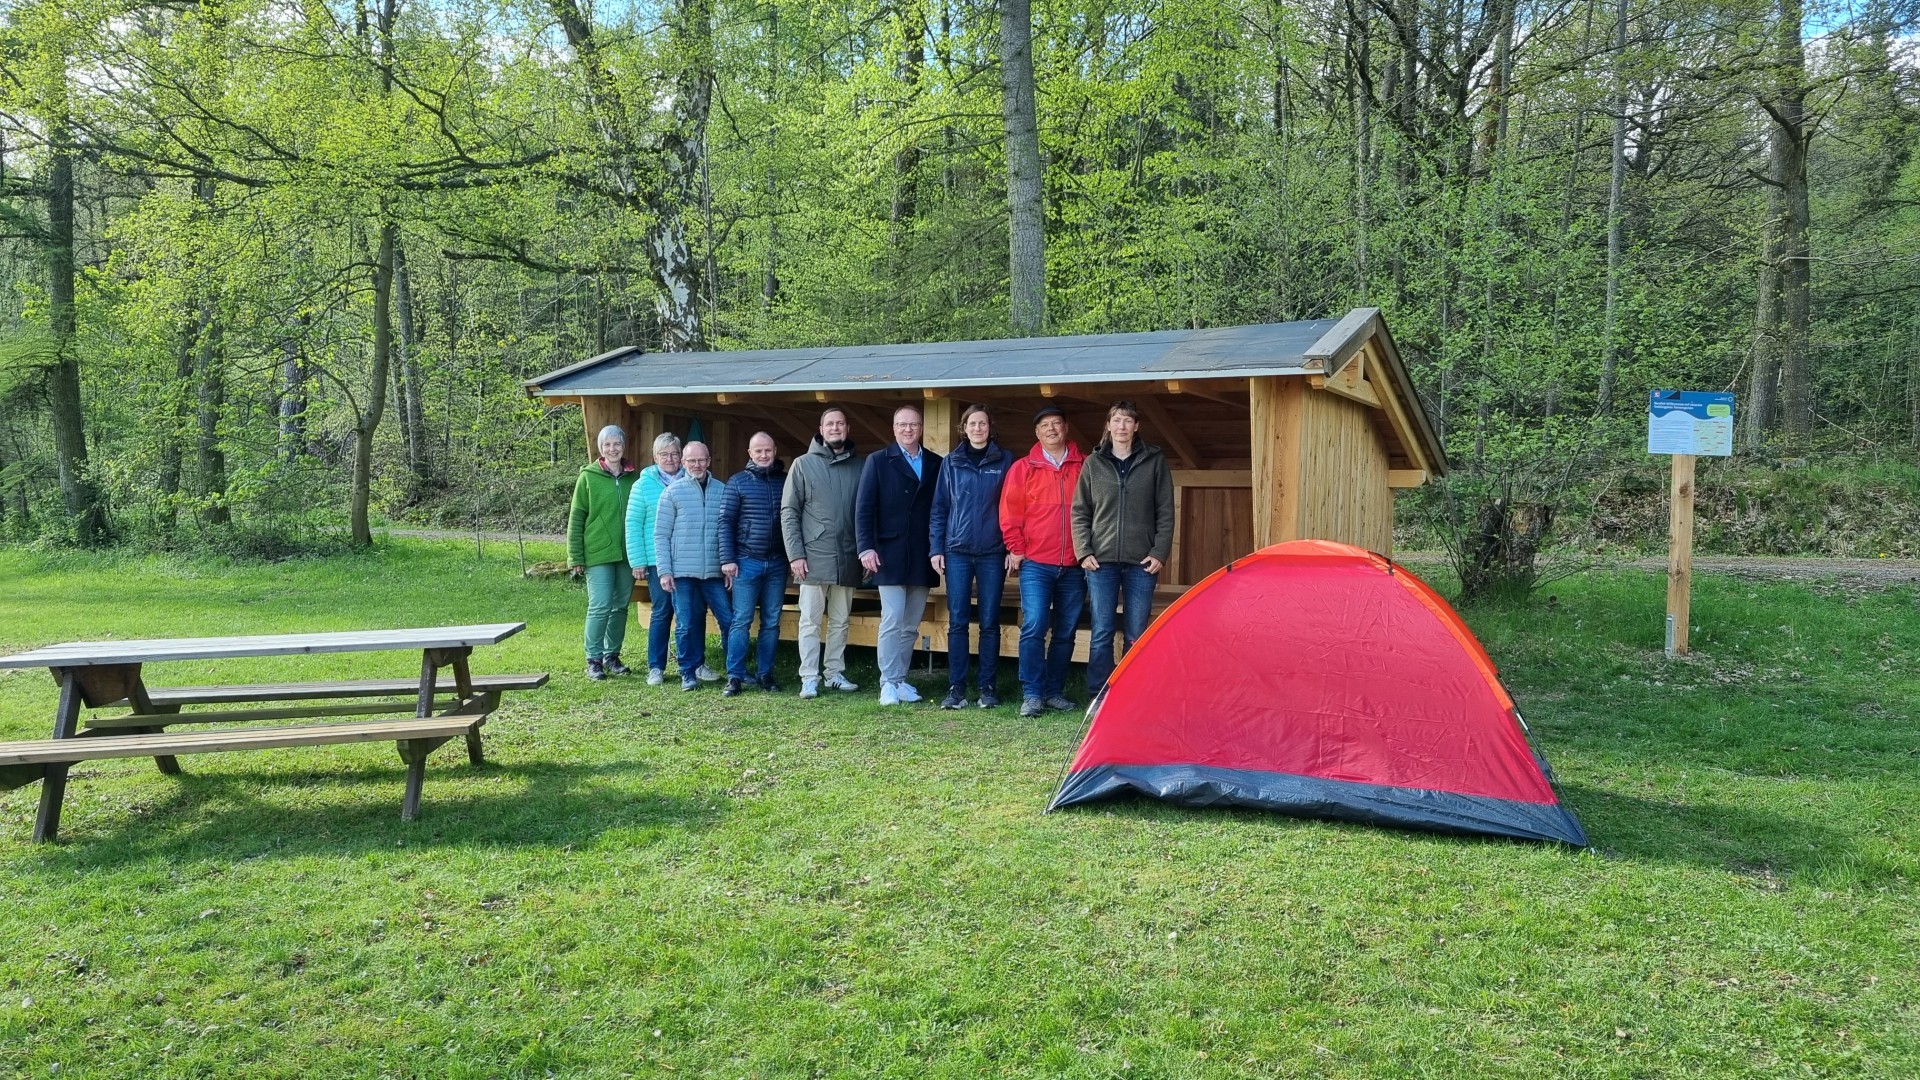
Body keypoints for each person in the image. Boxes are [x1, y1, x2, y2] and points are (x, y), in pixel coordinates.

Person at [1073, 400, 1174, 697]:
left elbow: (1166, 511)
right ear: (1108, 425)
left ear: (1136, 426)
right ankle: (1099, 694)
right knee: (1102, 630)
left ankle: (1133, 693)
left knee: (1136, 632)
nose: (1122, 426)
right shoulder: (1093, 463)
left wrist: (1159, 552)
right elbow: (1080, 511)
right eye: (1116, 420)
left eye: (1128, 420)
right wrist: (1084, 550)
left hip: (1142, 562)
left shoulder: (1154, 460)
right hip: (1100, 561)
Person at [1000, 406, 1088, 718]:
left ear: (1066, 428)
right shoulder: (1023, 468)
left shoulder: (1085, 466)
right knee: (1035, 625)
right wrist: (1016, 548)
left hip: (1075, 564)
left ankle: (1054, 692)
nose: (1051, 429)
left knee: (1066, 631)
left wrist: (1088, 551)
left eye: (1056, 424)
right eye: (1044, 425)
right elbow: (1009, 512)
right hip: (1036, 563)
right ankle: (1032, 693)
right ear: (1037, 433)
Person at [857, 405, 943, 706]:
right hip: (889, 553)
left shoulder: (936, 463)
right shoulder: (878, 460)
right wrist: (865, 547)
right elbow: (864, 508)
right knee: (892, 620)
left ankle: (900, 679)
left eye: (913, 424)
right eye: (902, 425)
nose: (908, 429)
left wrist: (938, 547)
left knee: (910, 624)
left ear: (921, 428)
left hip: (922, 553)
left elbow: (940, 508)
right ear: (894, 429)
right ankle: (887, 682)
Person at [929, 403, 1011, 709]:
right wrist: (936, 548)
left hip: (992, 552)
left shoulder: (1005, 461)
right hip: (957, 552)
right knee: (958, 622)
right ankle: (957, 688)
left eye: (982, 423)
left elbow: (1014, 507)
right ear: (963, 428)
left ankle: (987, 688)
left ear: (990, 428)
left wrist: (1012, 546)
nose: (978, 428)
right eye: (972, 423)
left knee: (990, 622)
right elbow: (939, 508)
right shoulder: (951, 462)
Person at [781, 407, 865, 699]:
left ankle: (834, 673)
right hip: (813, 557)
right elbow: (789, 512)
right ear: (821, 429)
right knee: (810, 621)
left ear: (847, 428)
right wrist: (795, 554)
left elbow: (867, 512)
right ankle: (809, 676)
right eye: (830, 424)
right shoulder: (802, 465)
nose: (835, 428)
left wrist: (865, 550)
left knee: (841, 620)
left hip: (848, 556)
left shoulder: (861, 466)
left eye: (840, 423)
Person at [628, 433, 714, 685]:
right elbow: (633, 524)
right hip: (658, 559)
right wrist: (637, 561)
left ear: (682, 457)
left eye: (674, 454)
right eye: (664, 454)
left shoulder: (694, 481)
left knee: (695, 611)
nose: (670, 459)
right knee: (663, 610)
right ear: (655, 457)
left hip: (689, 560)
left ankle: (697, 663)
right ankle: (656, 666)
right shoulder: (642, 485)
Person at [654, 442, 732, 691]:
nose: (697, 465)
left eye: (701, 460)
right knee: (686, 623)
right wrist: (665, 571)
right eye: (691, 461)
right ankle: (687, 672)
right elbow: (661, 535)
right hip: (682, 573)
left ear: (708, 461)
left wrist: (727, 565)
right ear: (683, 463)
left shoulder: (722, 490)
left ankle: (735, 671)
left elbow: (729, 531)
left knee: (729, 621)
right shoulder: (672, 493)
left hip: (714, 572)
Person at [719, 432, 788, 696]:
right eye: (758, 451)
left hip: (777, 562)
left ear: (775, 450)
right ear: (750, 453)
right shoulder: (737, 482)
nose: (763, 455)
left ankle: (765, 673)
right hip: (746, 561)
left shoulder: (786, 481)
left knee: (771, 621)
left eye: (767, 450)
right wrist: (727, 559)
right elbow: (725, 522)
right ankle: (735, 675)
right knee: (742, 620)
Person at [568, 424, 640, 681]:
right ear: (600, 448)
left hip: (627, 554)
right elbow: (576, 518)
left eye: (617, 444)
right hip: (597, 553)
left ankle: (612, 656)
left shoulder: (634, 478)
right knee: (600, 605)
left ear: (624, 446)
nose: (612, 449)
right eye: (607, 444)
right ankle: (594, 659)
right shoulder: (588, 477)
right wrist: (575, 556)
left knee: (620, 606)